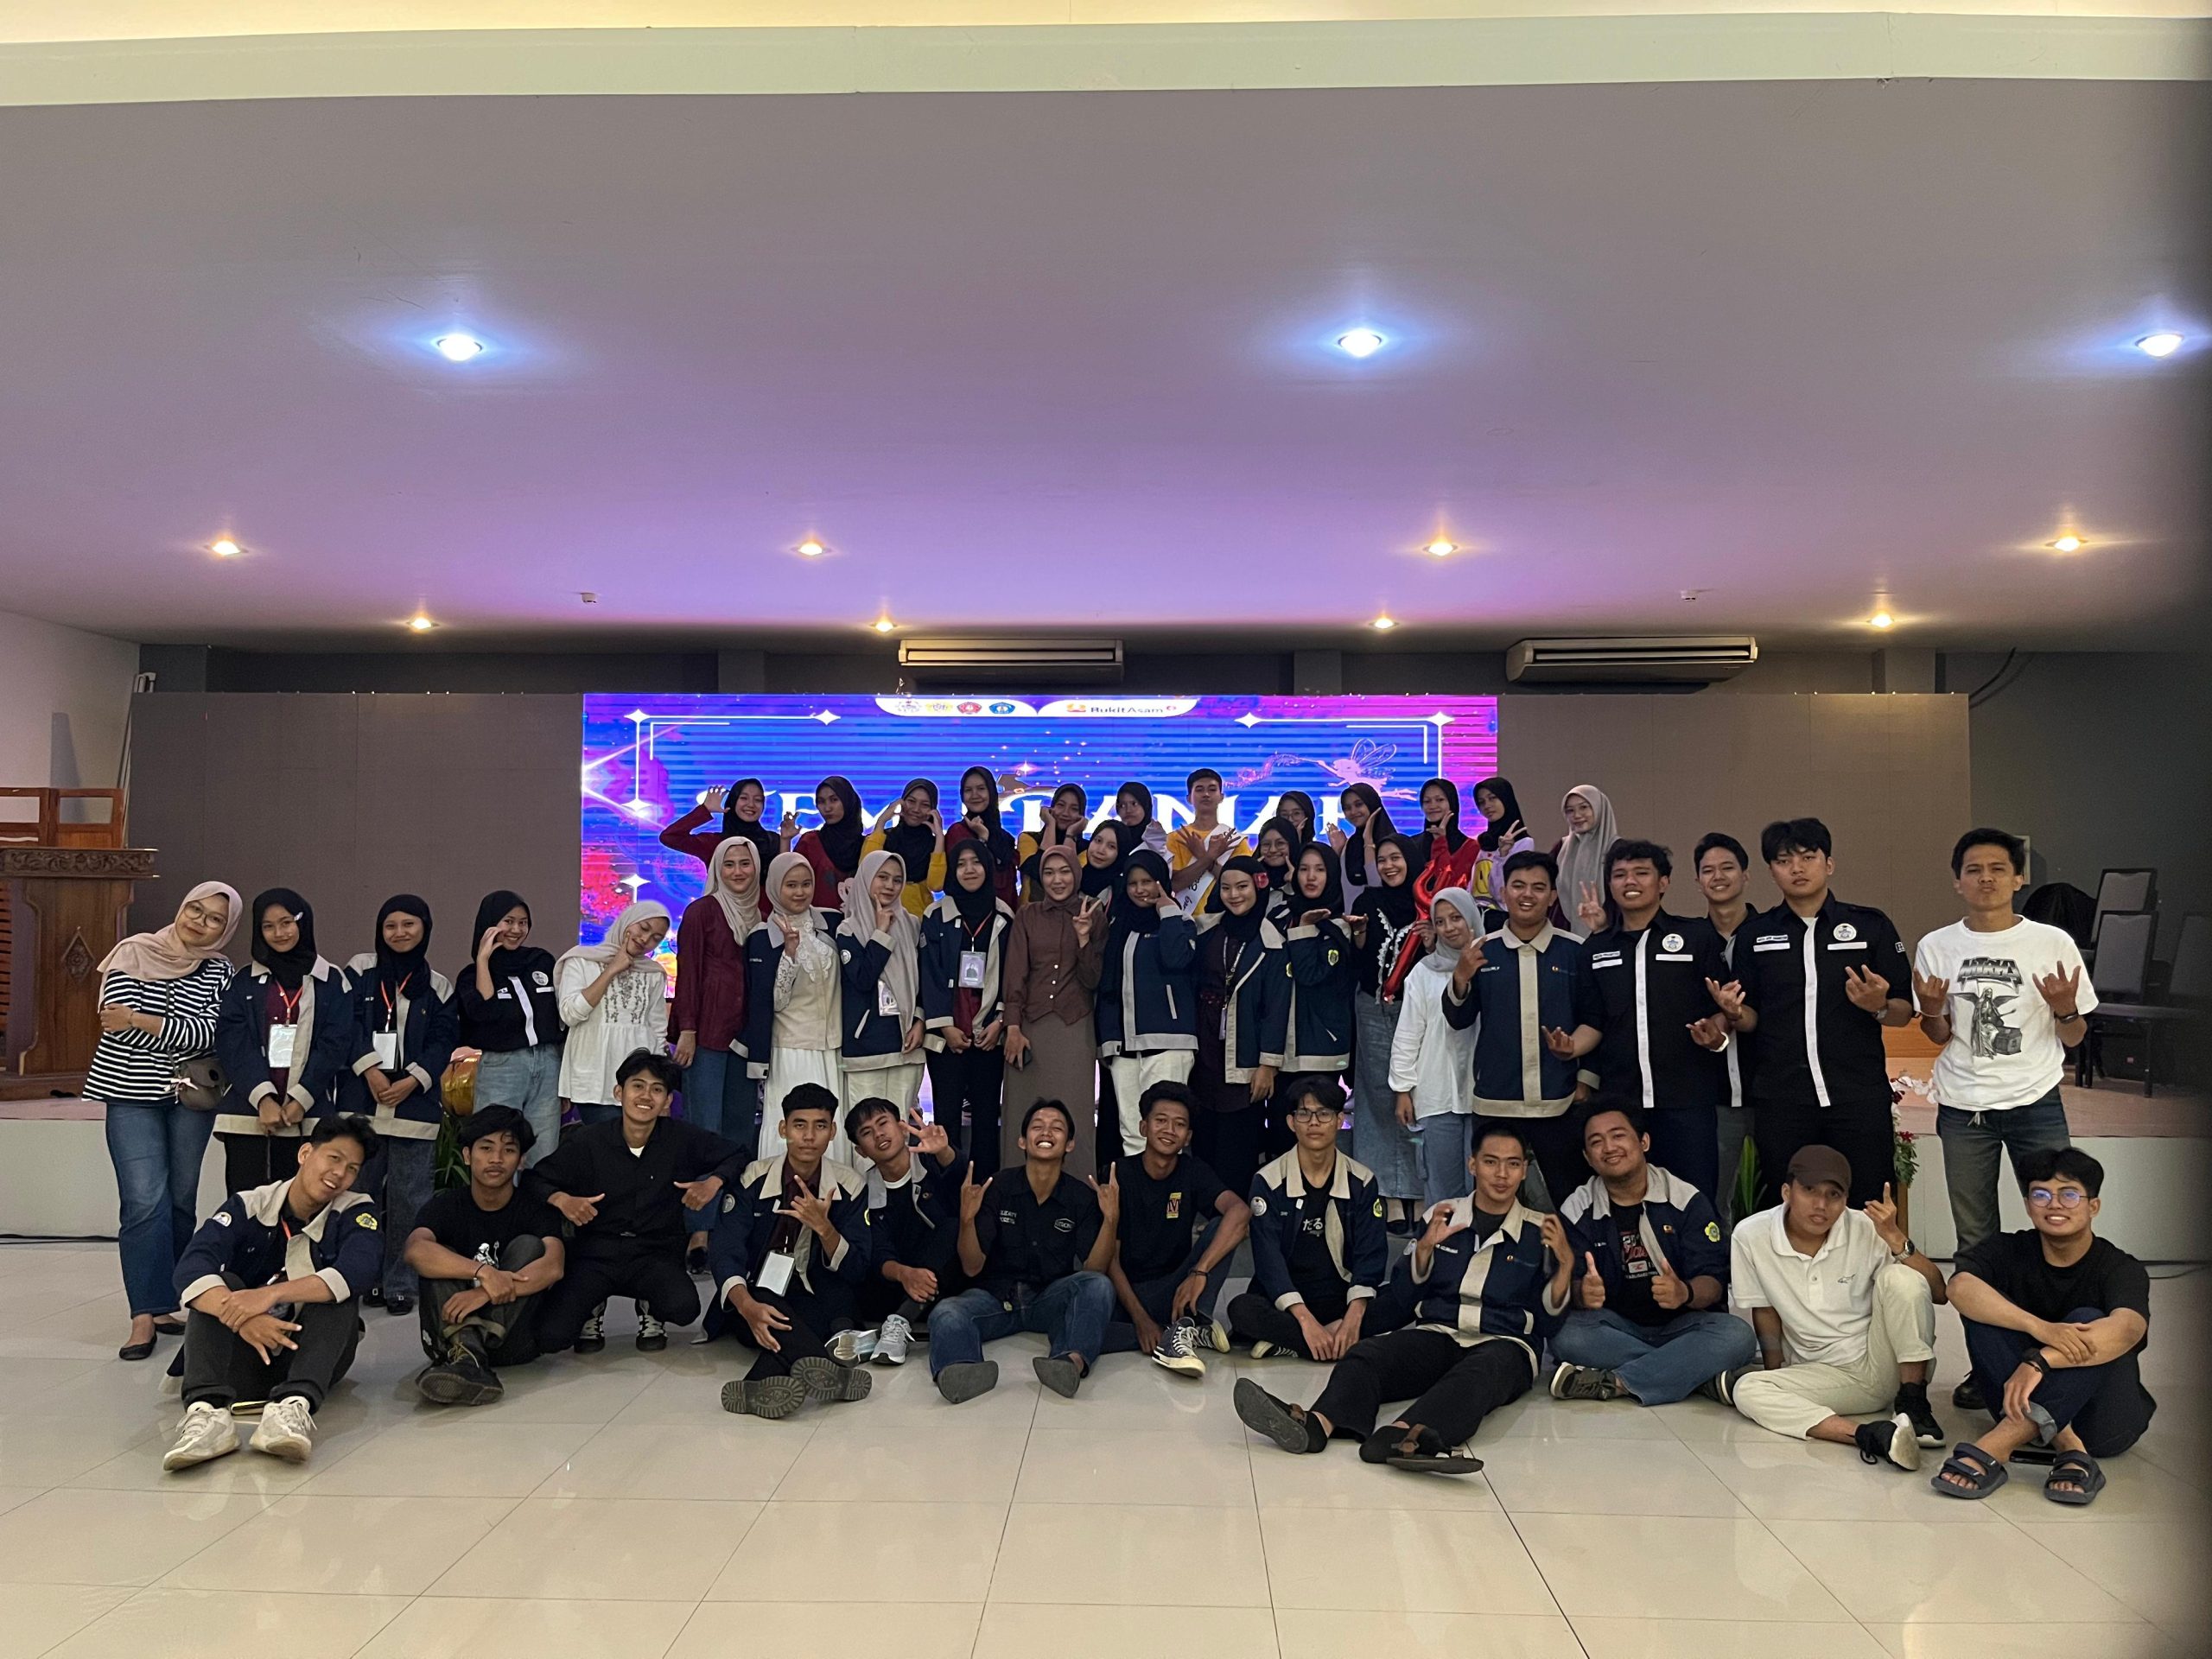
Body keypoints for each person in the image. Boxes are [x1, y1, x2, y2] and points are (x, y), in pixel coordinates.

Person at [1233, 1122, 1568, 1472]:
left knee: (1478, 1375)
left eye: (1513, 1164)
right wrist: (1423, 1251)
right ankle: (1317, 1424)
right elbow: (1404, 1295)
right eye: (1490, 1162)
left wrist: (1565, 1267)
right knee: (1365, 1355)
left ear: (1524, 1170)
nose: (1501, 1174)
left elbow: (1549, 1322)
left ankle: (1407, 1436)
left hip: (1506, 1344)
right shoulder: (1442, 1215)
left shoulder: (1542, 1230)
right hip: (1439, 1333)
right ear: (1472, 1165)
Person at [1913, 826, 2094, 1413]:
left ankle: (2058, 1362)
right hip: (1964, 1109)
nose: (1986, 878)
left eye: (1997, 868)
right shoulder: (1937, 945)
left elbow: (2076, 1035)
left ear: (2019, 877)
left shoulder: (2052, 942)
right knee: (1977, 1244)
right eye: (1973, 869)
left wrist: (2064, 1009)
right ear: (1957, 881)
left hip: (2035, 1102)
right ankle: (1987, 1369)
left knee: (2060, 1228)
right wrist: (1932, 1012)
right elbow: (1937, 1034)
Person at [1932, 1147, 2153, 1505]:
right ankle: (2066, 1443)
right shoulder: (2008, 1249)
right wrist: (2040, 1328)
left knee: (2088, 1319)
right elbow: (1959, 1288)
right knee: (1986, 1310)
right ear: (2028, 1204)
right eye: (2041, 1194)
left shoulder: (2119, 1267)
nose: (2055, 1205)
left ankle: (1999, 1444)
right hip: (2016, 1402)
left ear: (2093, 1206)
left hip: (2101, 1423)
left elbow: (2128, 1329)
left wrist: (2040, 1361)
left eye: (2069, 1194)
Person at [161, 1114, 382, 1471]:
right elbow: (192, 1267)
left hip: (314, 1356)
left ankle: (292, 1410)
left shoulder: (356, 1210)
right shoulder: (250, 1204)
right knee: (221, 1284)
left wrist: (271, 1295)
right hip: (245, 1357)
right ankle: (207, 1416)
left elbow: (360, 1269)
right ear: (305, 1153)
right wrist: (243, 1318)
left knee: (336, 1291)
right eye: (334, 1158)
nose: (340, 1174)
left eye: (352, 1169)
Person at [1721, 818, 1913, 1208]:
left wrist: (1878, 1007)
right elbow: (1751, 1017)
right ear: (1771, 871)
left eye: (1808, 857)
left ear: (1829, 864)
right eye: (1783, 861)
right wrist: (1734, 1013)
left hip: (1857, 1094)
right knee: (1786, 1207)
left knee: (1869, 1204)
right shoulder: (1755, 935)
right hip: (1782, 1099)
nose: (1797, 868)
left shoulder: (1870, 925)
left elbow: (1903, 1011)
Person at [90, 881, 242, 1361]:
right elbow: (115, 1027)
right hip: (128, 1093)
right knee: (142, 1201)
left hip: (192, 1098)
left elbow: (211, 1035)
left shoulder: (219, 969)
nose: (200, 921)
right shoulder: (132, 952)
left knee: (179, 1201)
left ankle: (166, 1301)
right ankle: (143, 1312)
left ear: (225, 929)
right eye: (195, 909)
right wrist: (159, 1027)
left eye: (214, 919)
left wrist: (143, 1019)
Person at [1730, 1145, 1947, 1468]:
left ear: (1846, 1199)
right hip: (1821, 1373)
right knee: (1748, 1389)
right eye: (1809, 1191)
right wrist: (1776, 1374)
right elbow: (1765, 1311)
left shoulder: (1866, 1228)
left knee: (1902, 1277)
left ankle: (1913, 1401)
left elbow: (1939, 1292)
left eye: (1834, 1195)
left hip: (1883, 1362)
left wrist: (1893, 1236)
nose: (1821, 1205)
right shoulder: (1750, 1235)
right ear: (1787, 1192)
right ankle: (1872, 1436)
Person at [524, 1049, 748, 1354]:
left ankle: (650, 1306)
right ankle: (593, 1305)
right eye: (638, 1086)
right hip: (595, 1253)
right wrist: (563, 1200)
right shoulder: (588, 1140)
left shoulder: (682, 1138)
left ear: (667, 1100)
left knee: (683, 1308)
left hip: (654, 1252)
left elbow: (738, 1154)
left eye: (657, 1089)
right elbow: (535, 1179)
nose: (646, 1096)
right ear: (619, 1092)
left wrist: (713, 1183)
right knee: (552, 1337)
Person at [1549, 840, 1735, 1197]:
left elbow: (1721, 1006)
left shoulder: (1696, 936)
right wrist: (1570, 1048)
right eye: (1619, 875)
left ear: (1663, 882)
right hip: (1621, 1103)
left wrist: (1717, 1031)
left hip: (1687, 1099)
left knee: (1694, 1199)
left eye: (1641, 873)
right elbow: (1593, 1023)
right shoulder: (1597, 948)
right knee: (1627, 1199)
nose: (1630, 881)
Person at [1548, 1105, 1758, 1404]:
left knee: (1737, 1335)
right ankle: (1696, 1377)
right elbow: (1564, 1287)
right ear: (1588, 1158)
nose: (1609, 1147)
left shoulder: (1685, 1199)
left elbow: (1713, 1281)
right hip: (1615, 1327)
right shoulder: (1576, 1209)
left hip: (1683, 1326)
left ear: (1643, 1142)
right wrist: (1582, 1293)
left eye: (1618, 1135)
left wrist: (1684, 1292)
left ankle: (1618, 1381)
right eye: (1596, 1142)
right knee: (1566, 1335)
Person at [929, 1098, 1116, 1402]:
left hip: (1047, 1298)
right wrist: (966, 1220)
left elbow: (1094, 1272)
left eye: (1057, 1128)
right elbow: (972, 1266)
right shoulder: (999, 1187)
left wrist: (1110, 1220)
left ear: (1069, 1144)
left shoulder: (1080, 1197)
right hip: (995, 1299)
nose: (1046, 1132)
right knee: (948, 1312)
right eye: (1037, 1126)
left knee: (1099, 1285)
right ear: (1022, 1140)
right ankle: (961, 1368)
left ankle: (1069, 1363)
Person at [709, 1083, 875, 1418]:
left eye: (820, 1126)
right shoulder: (753, 1178)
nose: (809, 1136)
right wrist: (747, 1306)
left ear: (832, 1132)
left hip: (814, 1293)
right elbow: (725, 1250)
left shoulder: (849, 1185)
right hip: (756, 1295)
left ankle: (756, 1385)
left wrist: (825, 1228)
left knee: (826, 1315)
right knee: (769, 1302)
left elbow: (859, 1268)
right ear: (783, 1129)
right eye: (800, 1125)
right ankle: (832, 1373)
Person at [1440, 851, 1586, 1208]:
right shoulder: (1481, 951)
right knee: (1495, 1200)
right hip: (1496, 1100)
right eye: (1518, 886)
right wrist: (1461, 977)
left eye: (1539, 887)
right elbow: (1458, 1019)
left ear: (1553, 896)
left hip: (1560, 1101)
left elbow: (1594, 1019)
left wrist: (1586, 1082)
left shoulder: (1574, 951)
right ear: (1503, 893)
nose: (1527, 895)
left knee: (1570, 1199)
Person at [406, 1105, 568, 1406]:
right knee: (439, 1255)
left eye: (509, 1150)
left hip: (511, 1341)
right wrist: (483, 1272)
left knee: (530, 1246)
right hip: (448, 1337)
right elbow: (415, 1250)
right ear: (467, 1156)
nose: (496, 1159)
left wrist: (484, 1293)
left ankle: (471, 1358)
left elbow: (553, 1266)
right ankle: (468, 1352)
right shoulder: (445, 1207)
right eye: (486, 1148)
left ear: (521, 1160)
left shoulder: (535, 1208)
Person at [344, 893, 458, 1316]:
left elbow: (444, 1040)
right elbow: (347, 1023)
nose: (399, 933)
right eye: (390, 925)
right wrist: (371, 1070)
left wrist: (412, 1080)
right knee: (358, 1195)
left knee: (411, 1199)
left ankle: (400, 1283)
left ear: (425, 928)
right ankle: (358, 1276)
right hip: (363, 1101)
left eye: (409, 924)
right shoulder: (360, 969)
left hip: (414, 1108)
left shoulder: (439, 985)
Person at [1227, 1073, 1389, 1359]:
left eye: (1324, 1114)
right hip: (1287, 1300)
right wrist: (1304, 1319)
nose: (1314, 1122)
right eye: (1304, 1114)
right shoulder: (1267, 1181)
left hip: (1340, 1295)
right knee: (1241, 1309)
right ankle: (1330, 1339)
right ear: (1291, 1122)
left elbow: (1371, 1253)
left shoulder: (1362, 1181)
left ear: (1339, 1120)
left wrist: (1353, 1316)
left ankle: (1294, 1341)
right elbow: (1268, 1261)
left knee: (1399, 1297)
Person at [1103, 1082, 1250, 1376]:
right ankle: (1169, 1330)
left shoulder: (1193, 1170)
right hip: (1128, 1292)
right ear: (1143, 1127)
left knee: (1224, 1226)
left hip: (1178, 1287)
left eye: (1180, 1124)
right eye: (1161, 1120)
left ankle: (1186, 1325)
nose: (1170, 1130)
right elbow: (1110, 1258)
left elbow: (1240, 1211)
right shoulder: (1119, 1173)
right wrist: (1141, 1319)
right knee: (1085, 1326)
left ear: (1188, 1136)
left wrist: (1199, 1272)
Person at [213, 888, 355, 1194]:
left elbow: (336, 1043)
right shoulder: (244, 981)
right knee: (245, 1200)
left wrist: (301, 1099)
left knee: (301, 1200)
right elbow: (233, 1042)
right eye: (268, 926)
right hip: (248, 1110)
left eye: (287, 922)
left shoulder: (331, 980)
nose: (279, 933)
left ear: (302, 922)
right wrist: (263, 1098)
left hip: (308, 1112)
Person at [673, 836, 763, 1272]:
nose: (739, 872)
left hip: (746, 1040)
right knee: (704, 1132)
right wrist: (687, 1030)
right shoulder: (702, 911)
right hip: (707, 1036)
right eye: (730, 865)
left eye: (746, 863)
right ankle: (699, 1228)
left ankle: (731, 1222)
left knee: (739, 1134)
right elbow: (688, 974)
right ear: (717, 870)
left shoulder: (764, 914)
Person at [1187, 857, 1289, 1198]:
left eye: (1242, 887)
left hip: (1245, 1050)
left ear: (1257, 888)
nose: (1234, 895)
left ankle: (1237, 1214)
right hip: (1204, 1046)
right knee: (1204, 1131)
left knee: (1239, 1140)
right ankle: (1206, 1211)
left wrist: (1268, 1065)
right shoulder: (1206, 930)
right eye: (1227, 888)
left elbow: (1277, 1007)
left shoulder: (1272, 940)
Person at [1003, 845, 1106, 1177]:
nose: (1057, 880)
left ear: (1076, 873)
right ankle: (1017, 1192)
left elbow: (1093, 979)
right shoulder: (1027, 915)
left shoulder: (1093, 912)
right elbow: (1015, 973)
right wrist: (1013, 1027)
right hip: (1029, 1028)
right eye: (1049, 873)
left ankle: (1078, 1190)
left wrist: (1083, 939)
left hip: (1075, 1027)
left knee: (1074, 1110)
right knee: (1022, 1112)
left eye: (1064, 872)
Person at [842, 1096, 964, 1365]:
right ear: (860, 1151)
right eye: (867, 1132)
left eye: (883, 1123)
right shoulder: (864, 1191)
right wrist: (905, 1274)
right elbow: (878, 1251)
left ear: (901, 1127)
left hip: (947, 1278)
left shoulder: (932, 1163)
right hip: (898, 1283)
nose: (878, 1134)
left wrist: (944, 1152)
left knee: (954, 1226)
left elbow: (964, 1182)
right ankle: (857, 1335)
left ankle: (901, 1320)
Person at [1095, 849, 1198, 1158]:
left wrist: (1168, 913)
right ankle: (1136, 1191)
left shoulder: (1180, 921)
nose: (1140, 890)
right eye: (1133, 883)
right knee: (1132, 1132)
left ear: (1162, 882)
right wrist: (1108, 1040)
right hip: (1123, 1047)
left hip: (1169, 1044)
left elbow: (1177, 959)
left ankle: (1169, 1191)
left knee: (1167, 1133)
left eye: (1148, 881)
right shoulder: (1117, 926)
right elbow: (1106, 986)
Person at [922, 838, 1014, 1174]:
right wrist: (945, 1025)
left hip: (989, 1036)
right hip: (946, 1037)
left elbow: (1012, 973)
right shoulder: (936, 914)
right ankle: (947, 1192)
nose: (969, 870)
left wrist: (1000, 1021)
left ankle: (985, 1192)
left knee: (987, 1119)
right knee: (946, 1118)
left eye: (976, 862)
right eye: (961, 864)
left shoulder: (1004, 914)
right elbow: (929, 973)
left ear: (987, 868)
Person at [1348, 835, 1426, 1228]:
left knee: (1417, 1097)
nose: (1389, 866)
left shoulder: (1428, 902)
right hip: (1374, 1009)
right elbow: (1358, 961)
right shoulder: (1366, 902)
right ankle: (1389, 1193)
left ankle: (1419, 1190)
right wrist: (1360, 936)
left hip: (1419, 1014)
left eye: (1396, 858)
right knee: (1378, 1095)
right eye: (1382, 860)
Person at [746, 851, 846, 1158]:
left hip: (833, 1048)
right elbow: (772, 1003)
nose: (800, 892)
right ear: (775, 887)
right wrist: (789, 956)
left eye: (806, 884)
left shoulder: (831, 924)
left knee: (831, 1130)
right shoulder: (762, 936)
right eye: (791, 885)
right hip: (792, 1048)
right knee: (795, 1129)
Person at [1389, 887, 1482, 1206]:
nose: (1449, 927)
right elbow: (1407, 1035)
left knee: (1484, 1189)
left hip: (1485, 1097)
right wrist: (1403, 1089)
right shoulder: (1423, 972)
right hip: (1436, 1094)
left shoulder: (1492, 964)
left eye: (1456, 918)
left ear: (1471, 917)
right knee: (1442, 1193)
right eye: (1440, 922)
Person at [459, 890, 565, 1167]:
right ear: (490, 924)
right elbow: (485, 1013)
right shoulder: (471, 975)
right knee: (497, 1149)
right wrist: (483, 961)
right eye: (508, 921)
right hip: (502, 1066)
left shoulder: (541, 961)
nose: (516, 930)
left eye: (523, 922)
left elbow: (562, 1015)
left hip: (548, 1062)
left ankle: (538, 1198)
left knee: (544, 1151)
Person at [836, 849, 929, 1145]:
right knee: (867, 1135)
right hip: (866, 1047)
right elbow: (863, 979)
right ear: (866, 879)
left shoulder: (912, 924)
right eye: (882, 877)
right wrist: (880, 932)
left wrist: (920, 1020)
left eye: (897, 880)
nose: (890, 886)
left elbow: (924, 980)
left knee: (901, 1131)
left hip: (905, 1043)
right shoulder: (848, 929)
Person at [556, 900, 672, 1129]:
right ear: (628, 921)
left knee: (639, 1146)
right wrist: (612, 969)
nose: (645, 939)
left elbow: (657, 1030)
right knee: (606, 1144)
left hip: (641, 1080)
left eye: (656, 938)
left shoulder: (653, 973)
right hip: (593, 1077)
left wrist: (661, 1085)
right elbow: (570, 1015)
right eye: (643, 928)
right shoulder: (581, 960)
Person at [1694, 832, 1761, 1216]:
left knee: (1783, 1198)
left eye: (1727, 868)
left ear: (1745, 875)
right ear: (1697, 880)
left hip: (1772, 1090)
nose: (1717, 877)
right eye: (1708, 870)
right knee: (1712, 1203)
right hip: (1712, 1096)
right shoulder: (1689, 939)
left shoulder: (1772, 933)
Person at [1281, 843, 1357, 1090]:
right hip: (1281, 1047)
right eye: (1304, 869)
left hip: (1322, 1048)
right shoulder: (1281, 916)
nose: (1311, 877)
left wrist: (1304, 928)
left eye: (1320, 869)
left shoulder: (1339, 926)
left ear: (1332, 874)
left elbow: (1310, 975)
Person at [862, 777, 949, 916]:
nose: (916, 809)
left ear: (933, 810)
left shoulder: (935, 846)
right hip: (878, 916)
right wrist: (881, 822)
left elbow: (936, 885)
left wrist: (939, 837)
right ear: (901, 802)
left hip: (917, 919)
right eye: (911, 801)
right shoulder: (884, 837)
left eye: (925, 805)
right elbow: (866, 869)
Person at [661, 777, 780, 875]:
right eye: (744, 798)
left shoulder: (773, 840)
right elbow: (670, 837)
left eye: (758, 800)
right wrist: (705, 810)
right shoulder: (713, 843)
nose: (751, 804)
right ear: (733, 802)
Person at [1167, 766, 1249, 906]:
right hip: (1185, 915)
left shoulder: (1235, 840)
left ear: (1221, 797)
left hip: (1224, 913)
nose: (1206, 794)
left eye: (1212, 789)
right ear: (1189, 798)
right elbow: (1174, 884)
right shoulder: (1176, 838)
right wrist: (1209, 857)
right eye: (1199, 790)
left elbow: (1239, 884)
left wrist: (1203, 856)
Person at [944, 765, 1022, 907]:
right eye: (968, 790)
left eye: (981, 789)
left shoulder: (1004, 838)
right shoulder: (957, 832)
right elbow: (960, 881)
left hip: (1005, 915)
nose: (975, 795)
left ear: (991, 792)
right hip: (970, 914)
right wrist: (982, 839)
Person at [1552, 785, 1619, 932]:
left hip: (1610, 931)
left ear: (1598, 808)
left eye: (1584, 807)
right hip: (1565, 931)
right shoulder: (1561, 849)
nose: (1576, 815)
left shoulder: (1619, 849)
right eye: (1570, 810)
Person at [788, 774, 868, 899]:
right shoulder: (810, 842)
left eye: (834, 800)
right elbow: (790, 882)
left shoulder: (867, 845)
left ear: (848, 801)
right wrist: (785, 840)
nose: (827, 808)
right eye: (821, 802)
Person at [1407, 778, 1481, 897]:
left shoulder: (1470, 847)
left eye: (1439, 800)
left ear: (1452, 803)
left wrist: (1440, 842)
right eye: (1427, 801)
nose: (1432, 806)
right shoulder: (1411, 844)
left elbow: (1449, 888)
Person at [1328, 782, 1398, 908]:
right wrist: (1339, 853)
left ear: (1372, 804)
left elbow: (1376, 885)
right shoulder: (1350, 845)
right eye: (1347, 808)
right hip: (1353, 918)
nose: (1353, 812)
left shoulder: (1393, 844)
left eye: (1359, 804)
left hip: (1385, 916)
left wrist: (1368, 842)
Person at [1017, 783, 1090, 901]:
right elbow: (1040, 874)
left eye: (1074, 809)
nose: (1065, 813)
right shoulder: (1028, 839)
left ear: (1081, 815)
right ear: (1052, 808)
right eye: (1061, 805)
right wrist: (1050, 825)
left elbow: (1067, 882)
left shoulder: (1087, 850)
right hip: (1029, 911)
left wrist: (1071, 835)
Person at [1471, 776, 1535, 908]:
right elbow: (1473, 886)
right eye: (1481, 802)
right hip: (1477, 914)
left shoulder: (1523, 842)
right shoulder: (1484, 841)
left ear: (1506, 799)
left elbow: (1502, 893)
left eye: (1492, 798)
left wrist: (1503, 854)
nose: (1487, 806)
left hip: (1502, 915)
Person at [1250, 817, 1300, 920]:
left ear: (1292, 845)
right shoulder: (1249, 877)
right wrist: (1247, 879)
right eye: (1266, 844)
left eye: (1280, 843)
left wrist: (1297, 883)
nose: (1272, 850)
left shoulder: (1305, 876)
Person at [1112, 780, 1169, 859]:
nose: (1128, 810)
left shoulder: (1159, 840)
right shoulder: (1112, 836)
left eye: (1134, 804)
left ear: (1146, 805)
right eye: (1122, 805)